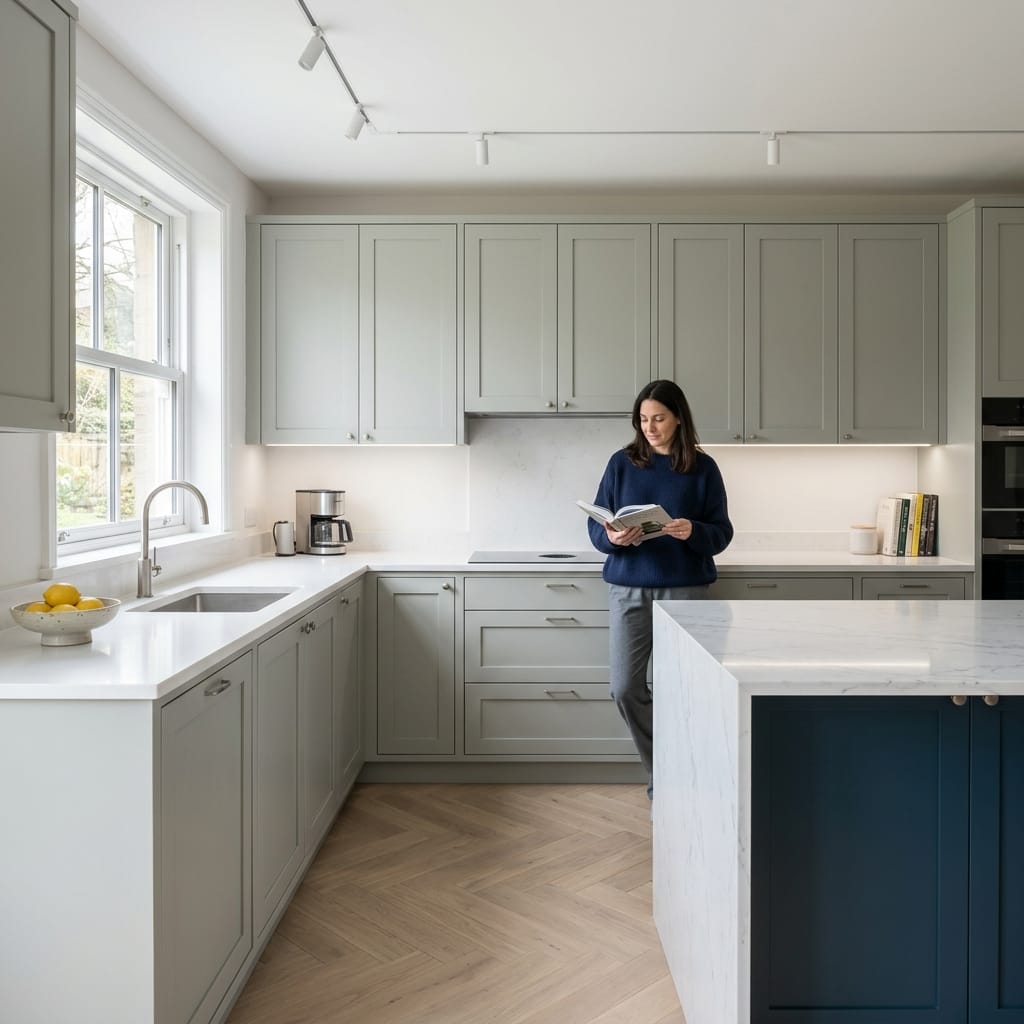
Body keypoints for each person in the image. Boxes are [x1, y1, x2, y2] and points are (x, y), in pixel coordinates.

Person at [587, 379, 733, 800]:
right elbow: (597, 530)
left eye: (658, 419)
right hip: (628, 589)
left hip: (686, 590)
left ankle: (682, 779)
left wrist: (694, 531)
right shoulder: (621, 463)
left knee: (687, 691)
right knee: (625, 687)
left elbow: (722, 533)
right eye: (643, 419)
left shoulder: (702, 469)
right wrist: (612, 539)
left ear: (678, 418)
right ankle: (664, 770)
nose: (649, 427)